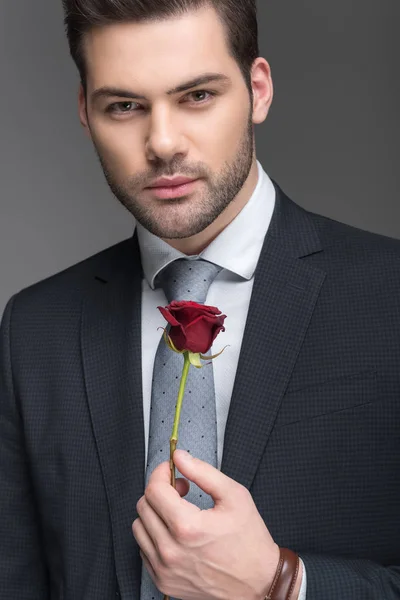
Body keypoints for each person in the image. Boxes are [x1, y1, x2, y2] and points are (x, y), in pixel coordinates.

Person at [0, 0, 399, 598]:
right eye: (125, 106)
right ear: (85, 112)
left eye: (198, 96)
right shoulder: (37, 328)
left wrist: (280, 584)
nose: (162, 143)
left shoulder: (388, 296)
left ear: (257, 90)